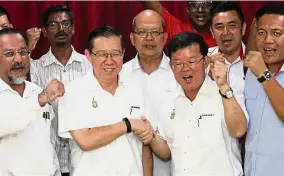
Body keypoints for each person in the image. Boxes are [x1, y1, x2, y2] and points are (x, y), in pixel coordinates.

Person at [58, 25, 153, 176]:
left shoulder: (137, 89)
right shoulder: (73, 91)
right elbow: (86, 140)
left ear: (123, 53)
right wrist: (128, 124)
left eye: (115, 54)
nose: (109, 61)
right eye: (102, 54)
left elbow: (146, 145)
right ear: (88, 56)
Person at [149, 31, 248, 176]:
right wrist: (148, 134)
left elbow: (239, 130)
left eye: (191, 61)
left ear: (206, 61)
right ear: (171, 66)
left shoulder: (227, 93)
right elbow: (166, 152)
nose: (185, 68)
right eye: (178, 63)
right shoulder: (170, 103)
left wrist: (224, 87)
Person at [30, 4, 91, 176]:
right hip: (47, 164)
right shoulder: (35, 68)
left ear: (73, 29)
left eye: (65, 23)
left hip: (83, 162)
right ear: (44, 31)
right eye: (53, 24)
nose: (60, 28)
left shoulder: (90, 66)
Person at [244, 3, 284, 176]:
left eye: (276, 33)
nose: (268, 40)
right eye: (261, 33)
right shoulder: (253, 73)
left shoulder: (260, 71)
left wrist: (264, 74)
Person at [120, 9, 178, 176]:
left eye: (155, 32)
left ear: (165, 37)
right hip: (129, 167)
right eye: (142, 32)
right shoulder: (119, 75)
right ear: (132, 38)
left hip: (174, 167)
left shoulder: (180, 74)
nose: (149, 38)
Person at [0, 28, 64, 176]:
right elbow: (6, 124)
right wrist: (40, 101)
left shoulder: (36, 90)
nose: (18, 59)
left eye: (23, 52)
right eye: (9, 54)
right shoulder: (41, 96)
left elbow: (49, 142)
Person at [208, 1, 246, 105]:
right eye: (219, 27)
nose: (225, 32)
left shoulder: (258, 61)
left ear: (243, 28)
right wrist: (205, 75)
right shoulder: (203, 60)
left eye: (232, 25)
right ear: (212, 32)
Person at [141, 1, 218, 47]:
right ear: (188, 9)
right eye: (194, 5)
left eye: (206, 4)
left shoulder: (224, 33)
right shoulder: (178, 29)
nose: (200, 10)